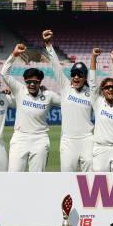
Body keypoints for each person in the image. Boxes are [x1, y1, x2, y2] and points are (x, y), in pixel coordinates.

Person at [1, 43, 60, 172]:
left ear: (40, 82)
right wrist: (14, 54)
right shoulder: (19, 90)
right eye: (29, 82)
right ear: (25, 81)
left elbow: (66, 101)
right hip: (20, 137)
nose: (32, 84)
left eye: (35, 82)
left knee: (37, 179)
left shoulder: (48, 95)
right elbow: (4, 74)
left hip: (40, 139)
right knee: (14, 176)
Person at [43, 30, 95, 172]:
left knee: (89, 179)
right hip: (68, 141)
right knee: (66, 179)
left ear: (85, 77)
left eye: (80, 75)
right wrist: (48, 45)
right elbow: (56, 67)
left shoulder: (92, 93)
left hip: (87, 139)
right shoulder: (66, 87)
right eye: (73, 74)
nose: (76, 77)